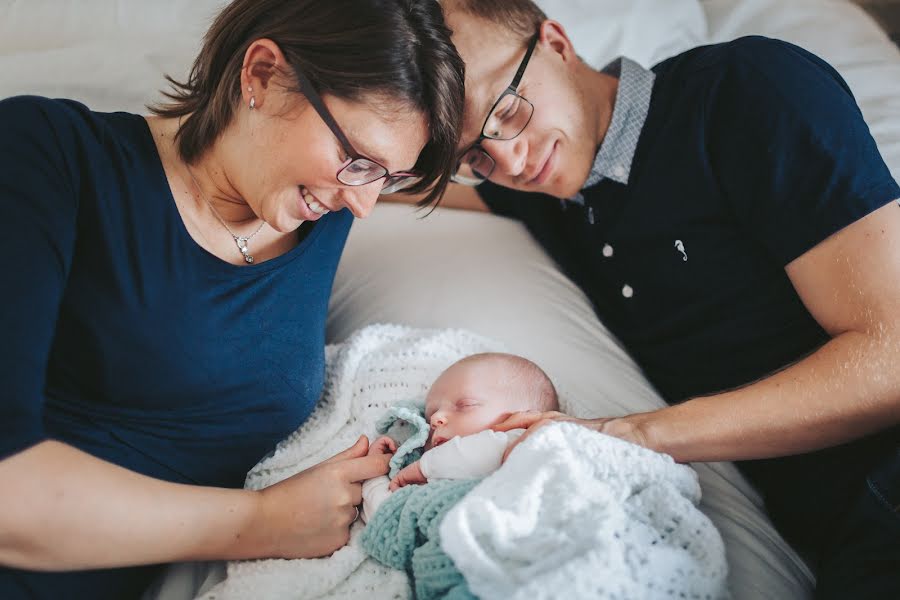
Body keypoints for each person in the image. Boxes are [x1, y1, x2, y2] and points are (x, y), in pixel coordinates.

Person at [388, 1, 900, 598]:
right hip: (844, 535)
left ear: (556, 42)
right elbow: (386, 186)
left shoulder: (744, 92)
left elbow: (890, 357)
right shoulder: (555, 192)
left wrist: (634, 434)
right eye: (473, 155)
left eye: (507, 109)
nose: (511, 161)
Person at [0, 1, 465, 598]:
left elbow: (495, 178)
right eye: (358, 161)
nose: (365, 203)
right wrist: (261, 523)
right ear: (263, 75)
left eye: (389, 177)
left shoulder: (323, 204)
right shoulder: (47, 154)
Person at [360, 352, 558, 521]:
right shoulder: (432, 487)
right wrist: (373, 475)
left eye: (465, 406)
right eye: (430, 415)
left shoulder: (526, 441)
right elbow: (387, 516)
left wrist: (424, 467)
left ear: (523, 417)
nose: (436, 418)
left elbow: (484, 452)